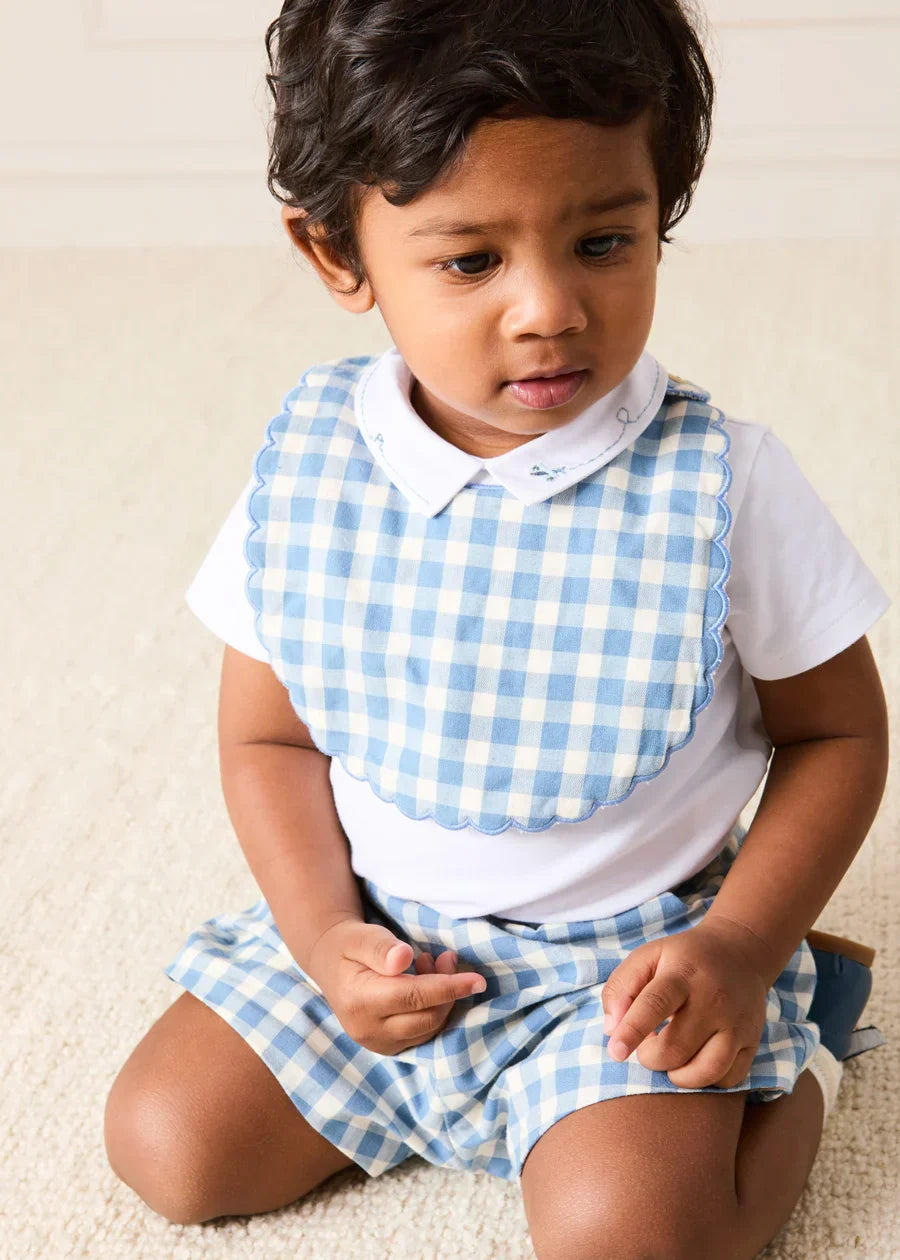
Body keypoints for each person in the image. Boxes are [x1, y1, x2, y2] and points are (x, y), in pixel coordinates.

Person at [103, 1, 892, 1254]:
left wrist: (741, 943)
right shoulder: (313, 473)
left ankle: (804, 1051)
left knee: (634, 1239)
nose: (549, 309)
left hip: (640, 957)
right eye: (471, 261)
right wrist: (322, 937)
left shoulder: (719, 487)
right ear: (335, 253)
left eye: (604, 240)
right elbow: (270, 745)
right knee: (168, 1145)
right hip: (382, 931)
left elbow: (839, 733)